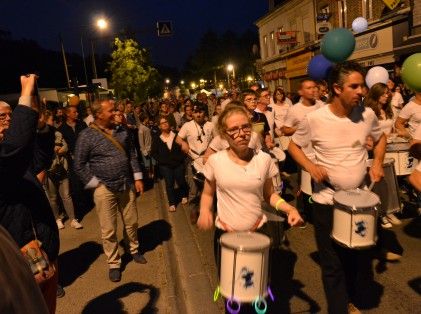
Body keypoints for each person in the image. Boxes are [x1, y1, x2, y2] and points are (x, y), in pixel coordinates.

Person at [288, 61, 386, 314]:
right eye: (354, 86)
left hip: (359, 202)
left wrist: (377, 162)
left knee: (357, 259)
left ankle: (351, 300)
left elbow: (381, 136)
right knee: (332, 265)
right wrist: (310, 166)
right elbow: (293, 146)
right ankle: (339, 309)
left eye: (362, 85)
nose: (361, 90)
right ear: (336, 88)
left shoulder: (367, 115)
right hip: (327, 203)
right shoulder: (315, 119)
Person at [197, 105, 302, 257]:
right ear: (224, 134)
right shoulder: (215, 161)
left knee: (259, 280)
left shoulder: (264, 160)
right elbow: (207, 193)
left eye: (245, 127)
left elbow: (270, 195)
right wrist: (205, 210)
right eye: (234, 129)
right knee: (227, 280)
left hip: (258, 232)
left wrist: (289, 209)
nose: (241, 134)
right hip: (226, 234)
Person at [0, 74, 60, 313]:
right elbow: (14, 149)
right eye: (1, 117)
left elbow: (40, 158)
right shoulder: (7, 158)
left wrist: (42, 126)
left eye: (9, 116)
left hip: (42, 252)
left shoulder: (15, 155)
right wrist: (26, 94)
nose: (7, 121)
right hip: (21, 261)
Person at [74, 99, 146, 283]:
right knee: (108, 229)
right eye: (111, 111)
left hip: (126, 184)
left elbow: (132, 155)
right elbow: (79, 165)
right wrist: (95, 185)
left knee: (132, 222)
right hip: (104, 189)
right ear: (99, 115)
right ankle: (114, 263)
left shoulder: (122, 131)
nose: (116, 113)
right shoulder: (86, 136)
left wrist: (137, 178)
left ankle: (134, 249)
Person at [176, 102, 214, 223]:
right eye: (196, 112)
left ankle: (207, 211)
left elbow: (218, 139)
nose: (198, 114)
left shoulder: (211, 125)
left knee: (208, 188)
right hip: (193, 160)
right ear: (192, 113)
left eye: (200, 112)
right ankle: (193, 210)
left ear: (204, 113)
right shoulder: (187, 125)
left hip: (208, 160)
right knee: (193, 189)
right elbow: (178, 138)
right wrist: (183, 143)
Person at [151, 116, 188, 212]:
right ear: (159, 126)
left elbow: (184, 147)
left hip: (178, 164)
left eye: (166, 122)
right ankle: (172, 203)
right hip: (165, 166)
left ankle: (183, 195)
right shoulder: (157, 138)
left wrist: (181, 159)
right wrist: (161, 161)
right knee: (169, 184)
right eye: (162, 123)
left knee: (181, 181)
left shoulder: (176, 135)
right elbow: (154, 153)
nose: (165, 124)